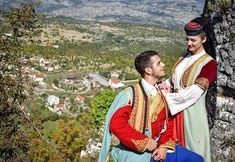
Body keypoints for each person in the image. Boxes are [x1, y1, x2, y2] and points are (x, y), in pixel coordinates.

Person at [98, 50, 204, 162]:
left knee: (196, 159)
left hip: (161, 148)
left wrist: (163, 146)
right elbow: (117, 125)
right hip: (137, 152)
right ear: (148, 70)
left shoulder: (161, 92)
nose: (163, 65)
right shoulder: (130, 95)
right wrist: (146, 143)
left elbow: (169, 122)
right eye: (158, 63)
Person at [160, 17, 217, 162]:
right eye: (187, 39)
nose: (189, 43)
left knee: (192, 151)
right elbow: (174, 78)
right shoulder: (184, 56)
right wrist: (165, 85)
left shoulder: (209, 64)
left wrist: (168, 97)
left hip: (191, 114)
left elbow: (194, 92)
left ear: (203, 39)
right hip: (174, 111)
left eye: (193, 40)